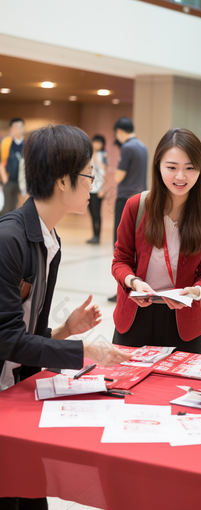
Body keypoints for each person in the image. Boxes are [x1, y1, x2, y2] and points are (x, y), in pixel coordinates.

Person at [0, 124, 131, 510]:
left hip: (15, 386)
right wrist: (81, 349)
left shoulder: (49, 239)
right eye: (89, 174)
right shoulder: (9, 240)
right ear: (62, 180)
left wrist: (64, 330)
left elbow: (29, 337)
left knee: (30, 491)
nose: (93, 183)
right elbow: (7, 339)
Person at [111, 128, 201, 354]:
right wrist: (133, 282)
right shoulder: (137, 206)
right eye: (172, 167)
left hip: (185, 320)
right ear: (158, 166)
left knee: (183, 389)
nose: (180, 177)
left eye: (190, 168)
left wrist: (197, 291)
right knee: (125, 386)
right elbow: (120, 261)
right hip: (135, 314)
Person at [108, 117, 147, 302]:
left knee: (121, 247)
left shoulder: (127, 147)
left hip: (125, 200)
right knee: (136, 247)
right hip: (141, 200)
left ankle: (123, 289)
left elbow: (118, 177)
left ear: (120, 131)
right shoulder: (142, 146)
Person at [0, 118, 25, 216]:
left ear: (23, 128)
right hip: (9, 180)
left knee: (18, 207)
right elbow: (2, 162)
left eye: (20, 126)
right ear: (11, 128)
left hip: (22, 182)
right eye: (16, 127)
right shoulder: (6, 142)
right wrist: (5, 179)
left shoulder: (26, 144)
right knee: (7, 207)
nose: (18, 129)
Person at [87, 134, 107, 244]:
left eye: (99, 143)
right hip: (90, 188)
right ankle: (94, 235)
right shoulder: (88, 155)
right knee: (91, 213)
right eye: (95, 142)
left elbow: (104, 170)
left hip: (98, 189)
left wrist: (103, 189)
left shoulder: (103, 155)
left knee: (97, 214)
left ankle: (97, 236)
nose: (97, 145)